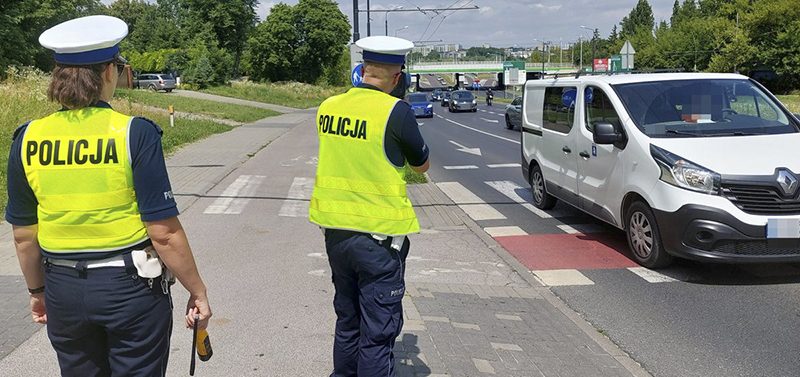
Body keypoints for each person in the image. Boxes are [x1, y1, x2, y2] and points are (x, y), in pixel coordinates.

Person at [5, 15, 211, 376]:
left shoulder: (27, 138)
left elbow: (23, 234)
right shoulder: (135, 133)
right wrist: (197, 290)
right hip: (129, 291)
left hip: (62, 290)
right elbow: (163, 231)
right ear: (108, 73)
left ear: (59, 78)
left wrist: (37, 291)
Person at [309, 36, 430, 377]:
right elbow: (421, 165)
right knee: (377, 335)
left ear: (361, 70)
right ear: (397, 77)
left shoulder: (328, 106)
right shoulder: (396, 111)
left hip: (336, 235)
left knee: (348, 322)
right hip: (379, 242)